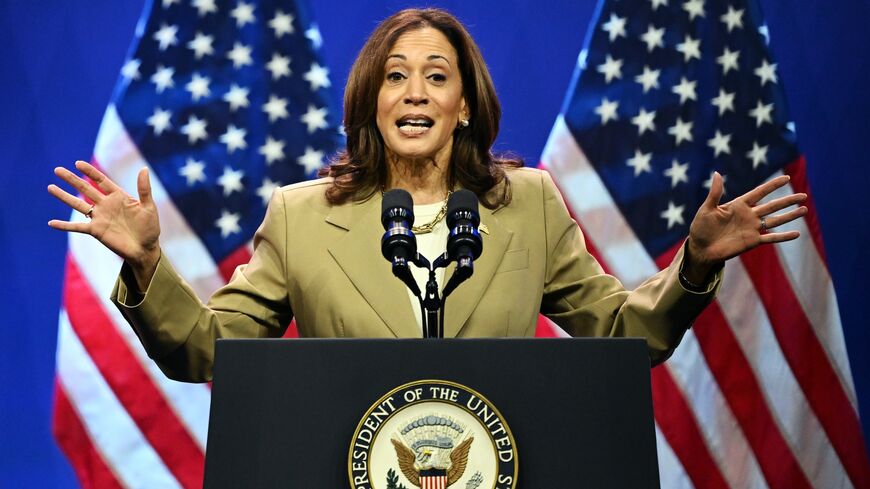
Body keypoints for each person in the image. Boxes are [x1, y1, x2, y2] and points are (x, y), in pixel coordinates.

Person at [47, 8, 807, 383]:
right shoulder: (302, 215)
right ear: (370, 101)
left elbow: (619, 335)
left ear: (465, 103)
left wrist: (696, 266)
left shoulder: (530, 204)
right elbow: (210, 352)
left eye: (436, 75)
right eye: (395, 75)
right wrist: (148, 263)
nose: (415, 92)